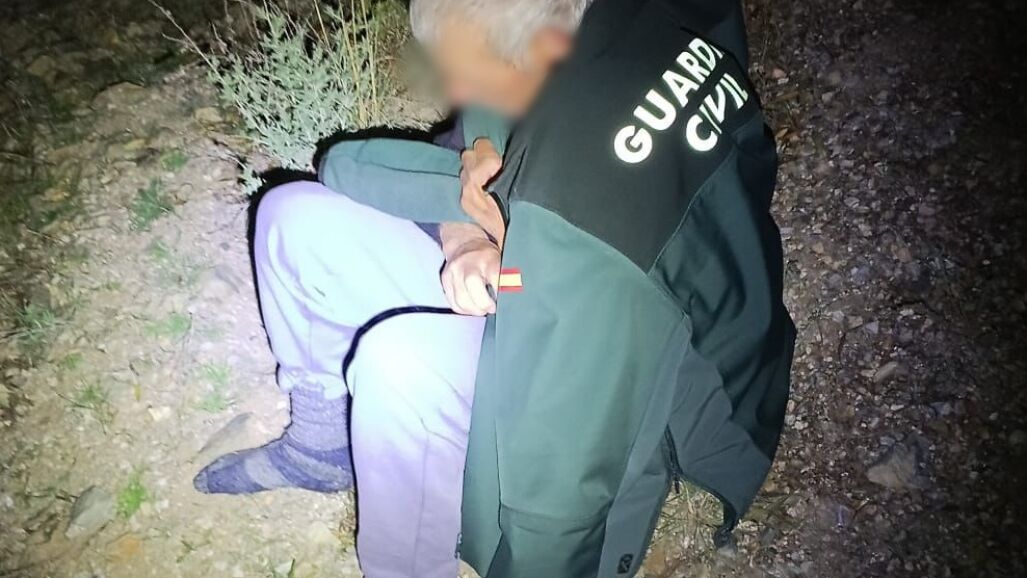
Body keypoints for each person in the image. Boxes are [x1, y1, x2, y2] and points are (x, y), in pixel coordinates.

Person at [196, 0, 795, 576]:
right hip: (551, 273)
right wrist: (467, 238)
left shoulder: (583, 216)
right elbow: (427, 160)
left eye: (463, 69)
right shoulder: (600, 31)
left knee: (399, 362)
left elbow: (565, 471)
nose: (453, 89)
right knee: (294, 218)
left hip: (638, 385)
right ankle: (321, 447)